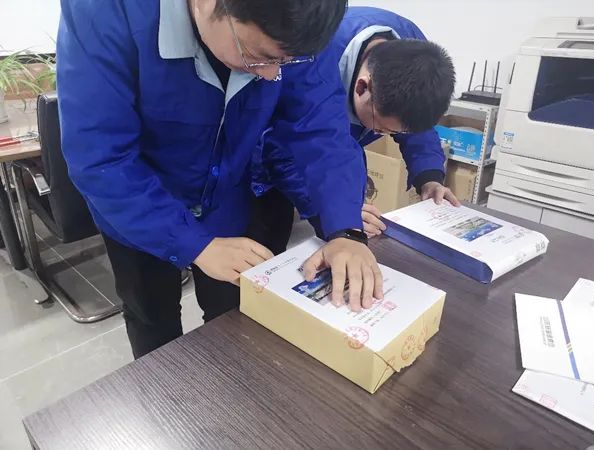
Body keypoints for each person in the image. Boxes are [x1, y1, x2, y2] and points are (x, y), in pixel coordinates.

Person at [57, 0, 384, 358]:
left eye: (286, 62)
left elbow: (321, 129)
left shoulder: (296, 23)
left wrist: (345, 229)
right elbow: (101, 157)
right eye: (257, 57)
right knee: (152, 315)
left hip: (224, 196)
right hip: (134, 207)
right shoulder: (106, 11)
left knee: (231, 313)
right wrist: (193, 243)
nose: (271, 76)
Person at [251, 6, 458, 254]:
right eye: (382, 128)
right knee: (264, 247)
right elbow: (285, 150)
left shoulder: (415, 52)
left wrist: (429, 177)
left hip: (328, 146)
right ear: (362, 87)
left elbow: (413, 121)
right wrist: (336, 216)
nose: (384, 135)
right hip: (262, 155)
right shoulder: (309, 58)